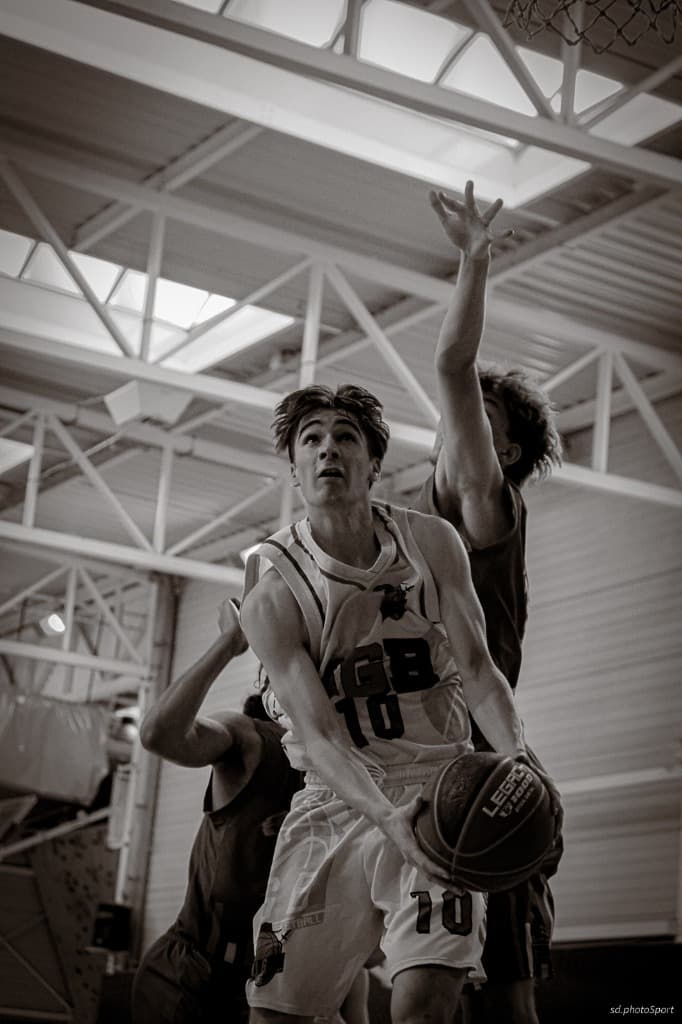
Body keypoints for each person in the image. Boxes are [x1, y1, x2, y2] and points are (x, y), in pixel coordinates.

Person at [240, 383, 557, 1024]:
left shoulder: (432, 541)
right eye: (313, 439)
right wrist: (386, 817)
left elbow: (478, 670)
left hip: (441, 794)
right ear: (295, 468)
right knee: (278, 1015)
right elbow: (322, 739)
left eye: (346, 437)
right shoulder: (272, 592)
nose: (329, 449)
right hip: (337, 801)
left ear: (374, 464)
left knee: (426, 1002)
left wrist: (517, 757)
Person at [423, 181, 564, 1024]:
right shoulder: (416, 518)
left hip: (482, 767)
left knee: (506, 999)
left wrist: (474, 260)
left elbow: (450, 365)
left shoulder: (483, 508)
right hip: (423, 757)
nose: (459, 421)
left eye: (480, 417)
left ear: (502, 448)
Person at [131, 598, 303, 1024]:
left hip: (266, 983)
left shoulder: (342, 765)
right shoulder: (250, 738)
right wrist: (227, 644)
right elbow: (157, 734)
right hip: (190, 973)